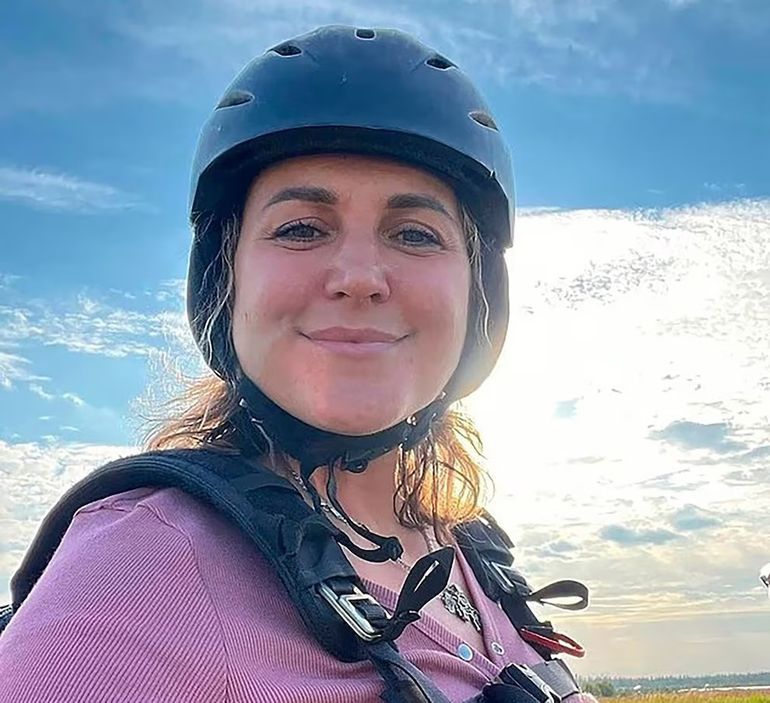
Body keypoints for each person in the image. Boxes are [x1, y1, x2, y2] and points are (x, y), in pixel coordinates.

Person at [0, 26, 592, 703]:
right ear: (227, 281)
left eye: (414, 233)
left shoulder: (473, 554)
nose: (360, 277)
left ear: (477, 291)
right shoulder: (140, 568)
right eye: (302, 228)